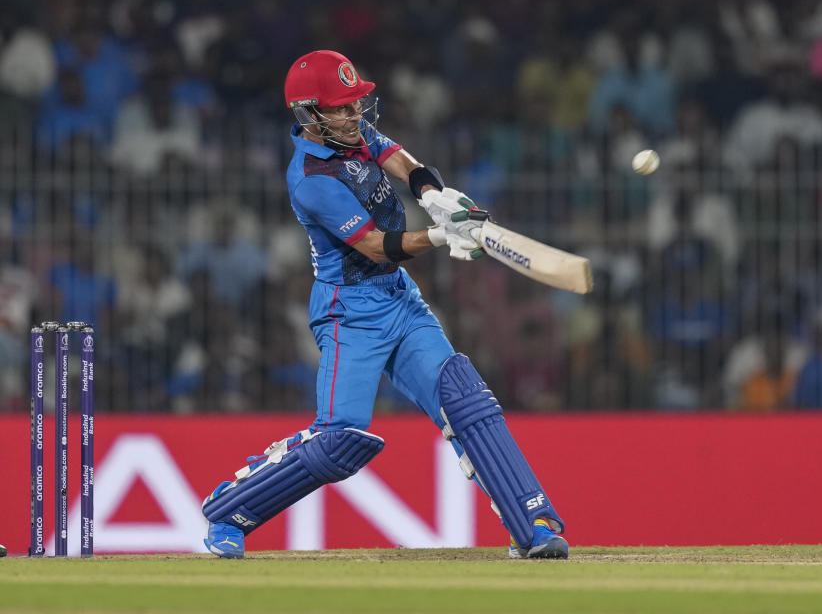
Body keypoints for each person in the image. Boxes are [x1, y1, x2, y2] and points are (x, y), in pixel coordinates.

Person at [199, 50, 568, 560]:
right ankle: (229, 510)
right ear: (310, 114)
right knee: (339, 440)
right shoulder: (311, 178)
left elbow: (402, 161)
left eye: (356, 105)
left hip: (398, 298)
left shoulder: (350, 134)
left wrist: (437, 196)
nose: (356, 117)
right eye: (342, 108)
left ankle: (534, 524)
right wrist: (441, 235)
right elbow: (374, 245)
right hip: (349, 313)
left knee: (465, 401)